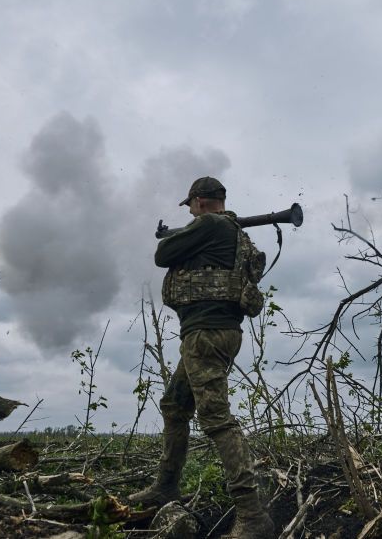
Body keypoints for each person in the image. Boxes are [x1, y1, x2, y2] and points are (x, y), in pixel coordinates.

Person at [129, 176, 274, 538]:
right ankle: (166, 486)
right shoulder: (231, 231)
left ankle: (253, 515)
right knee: (175, 405)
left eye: (191, 205)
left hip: (206, 335)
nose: (190, 211)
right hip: (213, 333)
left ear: (199, 201)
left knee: (216, 419)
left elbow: (163, 255)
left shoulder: (209, 225)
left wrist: (186, 232)